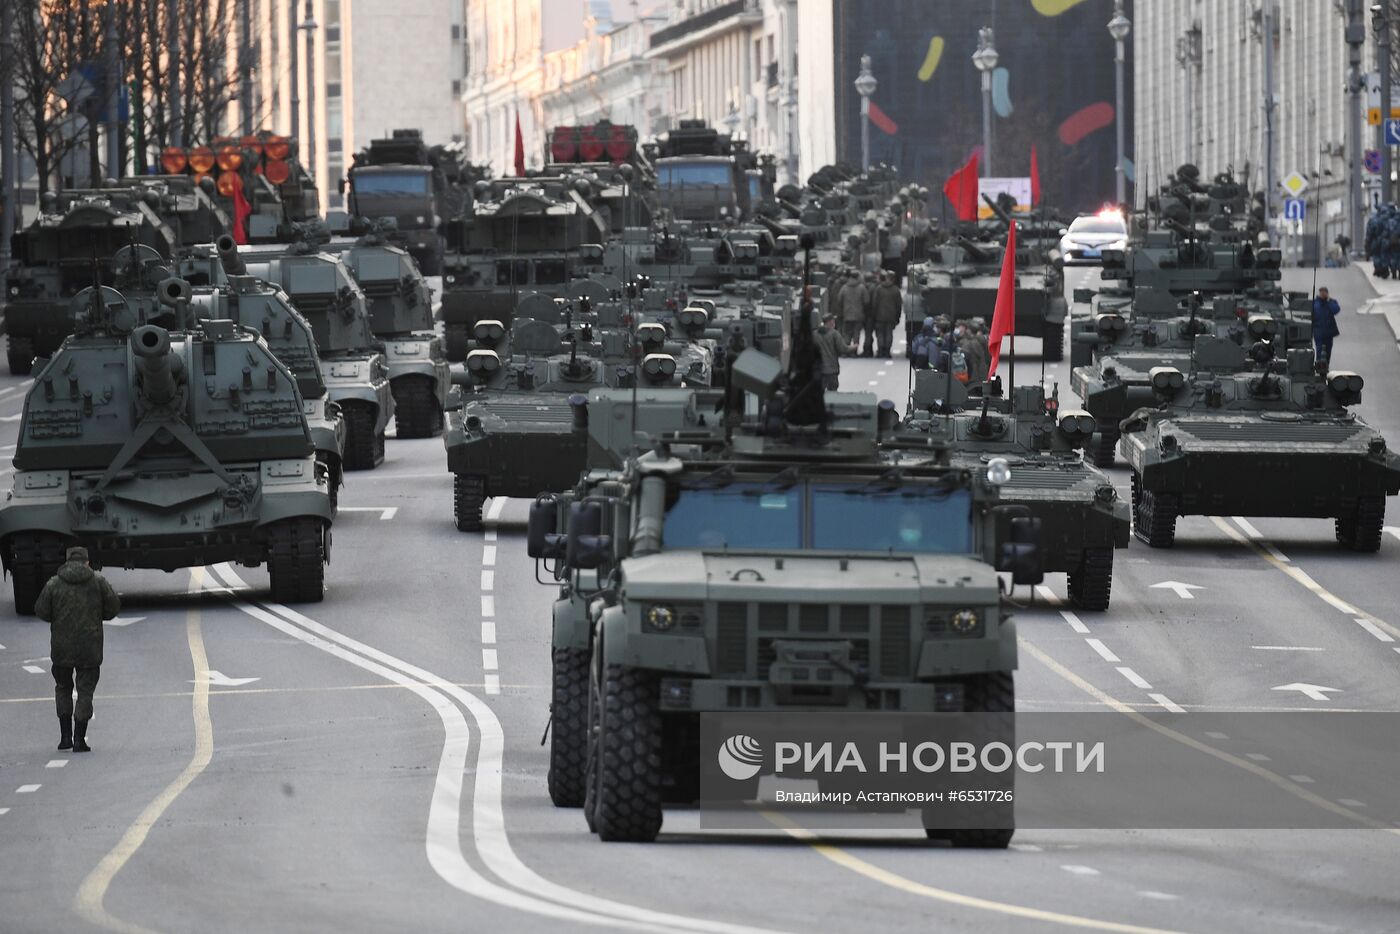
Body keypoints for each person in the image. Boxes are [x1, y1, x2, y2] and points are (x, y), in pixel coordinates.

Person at [36, 546, 120, 753]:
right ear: (87, 562)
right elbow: (112, 609)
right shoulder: (98, 583)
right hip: (89, 648)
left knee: (63, 687)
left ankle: (65, 737)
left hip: (61, 648)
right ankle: (79, 740)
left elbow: (41, 611)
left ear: (66, 562)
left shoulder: (54, 584)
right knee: (85, 692)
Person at [813, 313, 851, 389]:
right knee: (833, 392)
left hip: (819, 369)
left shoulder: (814, 334)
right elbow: (843, 349)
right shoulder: (834, 334)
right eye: (833, 320)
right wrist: (853, 347)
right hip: (831, 370)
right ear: (830, 322)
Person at [871, 270, 903, 359]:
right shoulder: (896, 290)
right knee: (889, 334)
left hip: (879, 316)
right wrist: (898, 317)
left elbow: (875, 303)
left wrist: (874, 315)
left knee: (880, 334)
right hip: (891, 316)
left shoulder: (879, 289)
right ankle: (887, 351)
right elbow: (898, 305)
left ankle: (880, 351)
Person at [1311, 286, 1341, 374]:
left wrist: (1328, 301)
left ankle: (1326, 366)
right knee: (1319, 349)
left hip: (1328, 332)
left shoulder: (1331, 302)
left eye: (1324, 292)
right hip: (1318, 331)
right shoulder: (1315, 303)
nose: (1323, 294)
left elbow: (1336, 310)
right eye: (1321, 292)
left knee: (1328, 351)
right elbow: (1312, 315)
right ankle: (1318, 366)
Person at [838, 269, 867, 346]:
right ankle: (854, 351)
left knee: (847, 333)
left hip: (847, 314)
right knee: (856, 333)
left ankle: (846, 349)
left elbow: (839, 299)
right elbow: (866, 301)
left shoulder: (844, 287)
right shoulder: (862, 288)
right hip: (858, 314)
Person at [860, 271, 878, 356]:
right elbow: (874, 302)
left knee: (867, 333)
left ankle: (867, 349)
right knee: (868, 333)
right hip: (871, 313)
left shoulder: (862, 287)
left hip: (864, 312)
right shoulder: (874, 287)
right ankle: (868, 350)